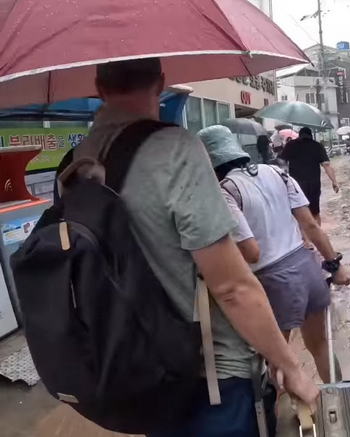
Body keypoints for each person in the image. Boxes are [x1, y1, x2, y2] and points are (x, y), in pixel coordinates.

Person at [74, 58, 318, 436]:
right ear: (161, 83)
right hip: (210, 378)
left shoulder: (79, 161)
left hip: (137, 368)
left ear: (99, 87)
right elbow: (231, 286)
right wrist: (289, 364)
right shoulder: (175, 149)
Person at [196, 126, 350, 383]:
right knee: (321, 345)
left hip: (276, 282)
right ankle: (339, 405)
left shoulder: (225, 191)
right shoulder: (276, 173)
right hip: (308, 268)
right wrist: (335, 266)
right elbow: (311, 226)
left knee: (279, 360)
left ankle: (286, 417)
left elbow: (252, 253)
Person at [280, 127, 339, 224]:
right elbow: (326, 166)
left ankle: (304, 238)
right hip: (313, 185)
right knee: (315, 213)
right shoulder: (317, 146)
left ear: (299, 135)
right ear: (311, 135)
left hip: (296, 186)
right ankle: (316, 236)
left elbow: (281, 164)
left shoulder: (290, 145)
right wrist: (334, 182)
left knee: (298, 213)